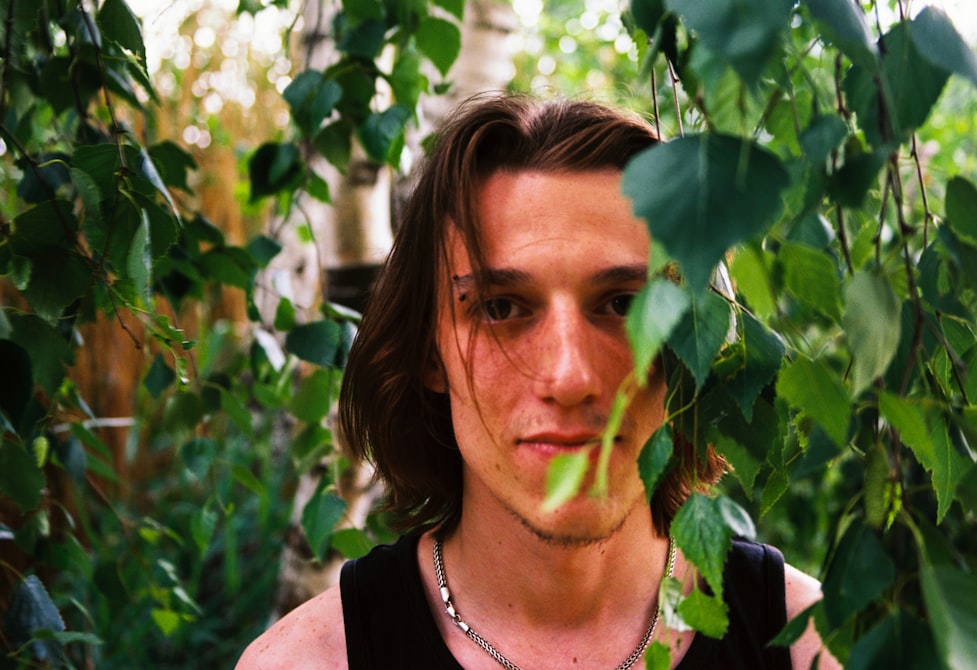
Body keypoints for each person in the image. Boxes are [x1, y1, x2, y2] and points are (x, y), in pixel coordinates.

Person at [237, 93, 838, 669]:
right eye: (500, 308)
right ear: (428, 351)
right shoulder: (309, 662)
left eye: (625, 303)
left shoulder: (813, 645)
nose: (570, 377)